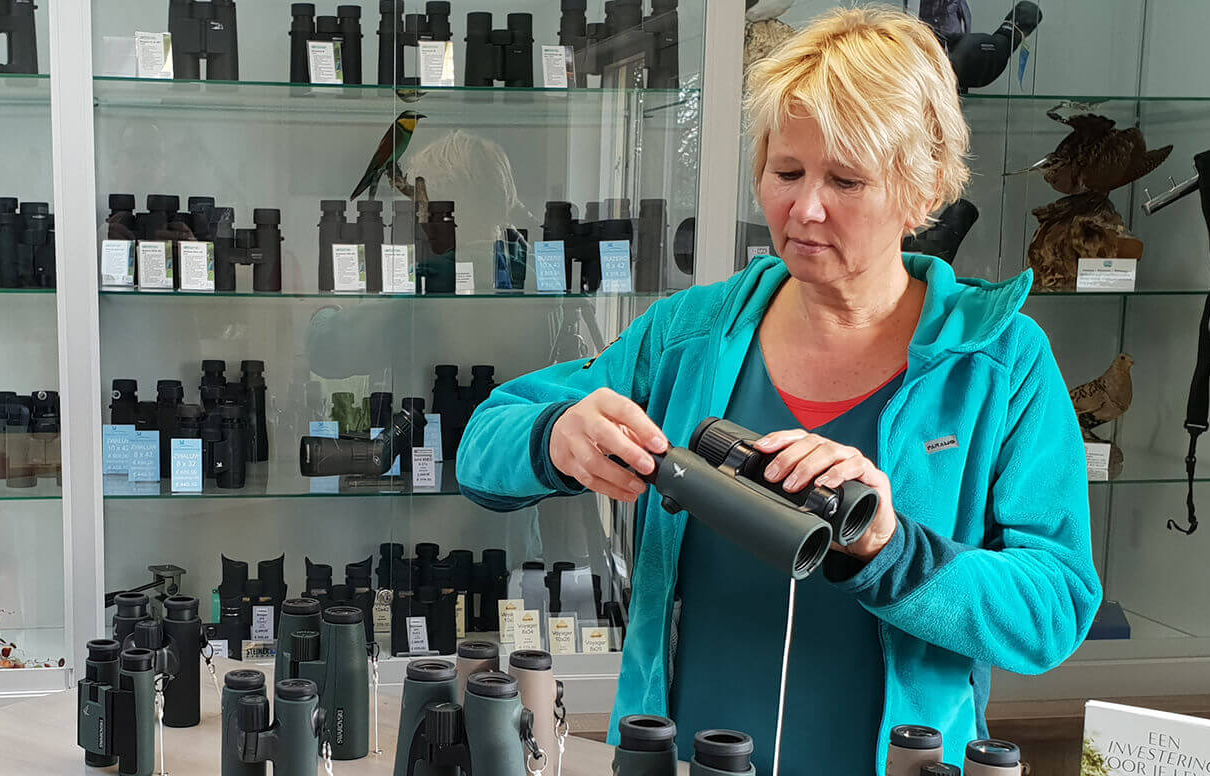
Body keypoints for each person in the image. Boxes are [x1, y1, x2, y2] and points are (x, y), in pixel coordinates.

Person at [456, 8, 1100, 773]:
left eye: (846, 180)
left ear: (922, 189)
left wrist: (888, 547)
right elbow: (483, 448)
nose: (805, 208)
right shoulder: (690, 336)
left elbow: (1053, 607)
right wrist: (556, 437)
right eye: (787, 172)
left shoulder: (1000, 363)